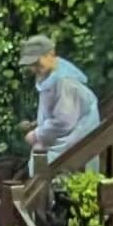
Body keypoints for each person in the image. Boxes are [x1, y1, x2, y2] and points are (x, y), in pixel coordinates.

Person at [19, 33, 99, 172]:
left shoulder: (65, 81)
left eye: (37, 62)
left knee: (51, 172)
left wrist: (36, 135)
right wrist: (37, 124)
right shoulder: (49, 78)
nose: (34, 68)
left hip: (76, 145)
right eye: (31, 64)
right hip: (65, 140)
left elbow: (63, 121)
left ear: (51, 54)